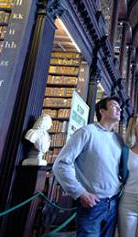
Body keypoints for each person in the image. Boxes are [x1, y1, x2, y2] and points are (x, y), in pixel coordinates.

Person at [53, 97, 123, 237]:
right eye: (115, 106)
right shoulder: (86, 132)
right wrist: (80, 192)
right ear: (102, 111)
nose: (119, 109)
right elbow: (61, 164)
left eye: (119, 107)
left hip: (114, 203)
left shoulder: (118, 139)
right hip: (92, 204)